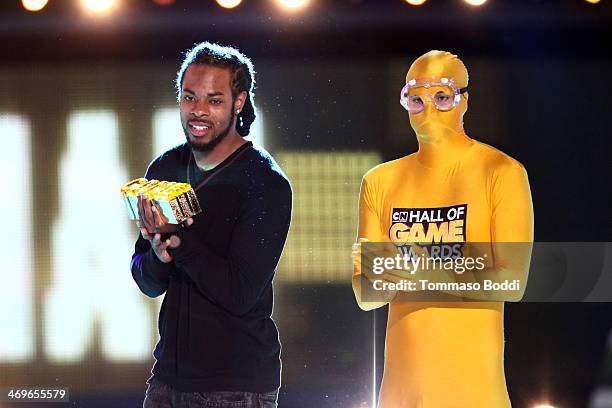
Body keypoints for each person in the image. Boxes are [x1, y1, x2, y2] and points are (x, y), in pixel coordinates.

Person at [352, 50, 534, 407]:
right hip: (400, 394)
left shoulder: (502, 173)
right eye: (416, 100)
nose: (429, 110)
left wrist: (417, 274)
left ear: (464, 101)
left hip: (476, 393)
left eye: (442, 97)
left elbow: (513, 283)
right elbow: (366, 292)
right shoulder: (380, 181)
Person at [131, 42, 292, 408]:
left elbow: (239, 292)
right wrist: (159, 253)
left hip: (236, 385)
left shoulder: (265, 183)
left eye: (214, 100)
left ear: (239, 102)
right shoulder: (164, 169)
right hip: (167, 380)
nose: (198, 111)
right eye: (189, 98)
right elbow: (147, 280)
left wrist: (180, 242)